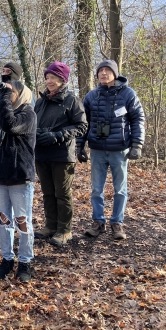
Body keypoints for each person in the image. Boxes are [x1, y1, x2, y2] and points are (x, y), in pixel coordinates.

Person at [77, 60, 145, 240]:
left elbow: (138, 119)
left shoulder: (128, 94)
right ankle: (98, 222)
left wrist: (137, 145)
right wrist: (79, 145)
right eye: (101, 71)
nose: (104, 74)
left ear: (115, 74)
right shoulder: (91, 96)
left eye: (107, 71)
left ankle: (117, 223)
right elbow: (84, 123)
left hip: (119, 150)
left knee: (120, 190)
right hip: (97, 150)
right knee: (96, 190)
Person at [0, 81, 36, 283]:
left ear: (21, 94)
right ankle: (7, 259)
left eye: (11, 92)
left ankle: (25, 261)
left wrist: (4, 96)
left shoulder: (28, 114)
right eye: (6, 93)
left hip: (19, 177)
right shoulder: (1, 116)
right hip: (1, 178)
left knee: (22, 222)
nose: (6, 96)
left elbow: (10, 125)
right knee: (3, 221)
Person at [33, 61, 88, 246]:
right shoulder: (40, 102)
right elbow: (32, 122)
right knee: (47, 192)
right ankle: (50, 225)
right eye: (47, 77)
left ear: (62, 79)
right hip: (41, 154)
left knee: (62, 193)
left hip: (62, 155)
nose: (49, 81)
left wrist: (57, 136)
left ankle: (65, 230)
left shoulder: (71, 100)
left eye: (53, 78)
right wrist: (37, 133)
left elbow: (81, 126)